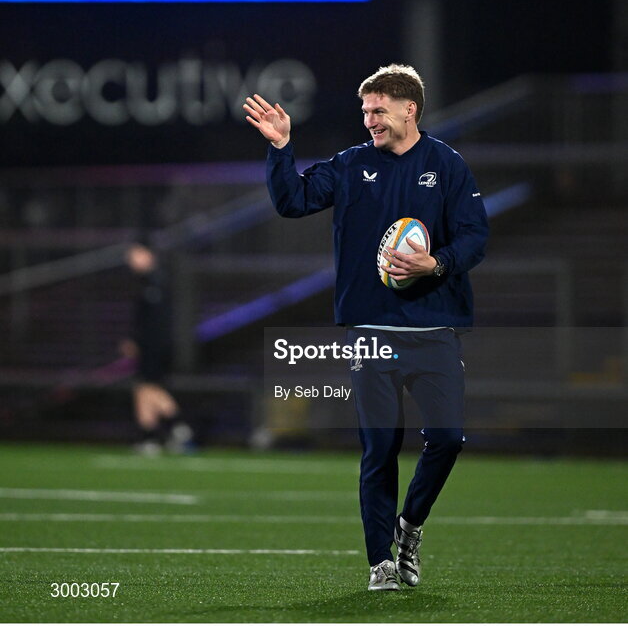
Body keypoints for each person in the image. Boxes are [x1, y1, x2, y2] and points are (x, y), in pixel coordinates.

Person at [244, 64, 489, 592]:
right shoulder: (351, 165)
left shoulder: (447, 166)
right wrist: (281, 148)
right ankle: (381, 561)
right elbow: (293, 201)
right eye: (365, 111)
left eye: (378, 110)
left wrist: (437, 264)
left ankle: (410, 527)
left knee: (447, 439)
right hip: (372, 332)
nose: (369, 120)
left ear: (410, 109)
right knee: (379, 447)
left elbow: (475, 237)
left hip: (434, 328)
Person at [120, 242, 194, 455]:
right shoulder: (145, 282)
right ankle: (149, 437)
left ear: (149, 255)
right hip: (148, 346)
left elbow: (155, 322)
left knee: (149, 388)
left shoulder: (156, 282)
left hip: (154, 347)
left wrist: (139, 342)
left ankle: (179, 427)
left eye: (136, 254)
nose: (131, 260)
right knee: (142, 389)